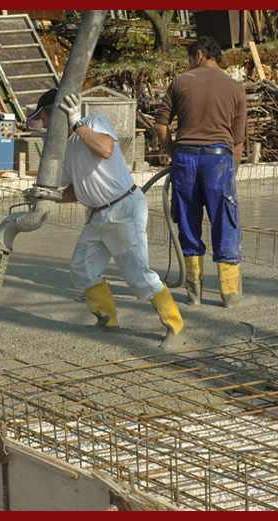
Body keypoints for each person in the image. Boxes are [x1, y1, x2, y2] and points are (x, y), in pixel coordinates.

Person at [27, 88, 186, 351]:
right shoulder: (66, 148)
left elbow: (105, 149)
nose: (43, 125)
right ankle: (108, 320)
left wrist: (77, 123)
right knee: (82, 268)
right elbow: (76, 191)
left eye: (44, 118)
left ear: (58, 114)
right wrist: (44, 195)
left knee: (137, 276)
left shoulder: (93, 123)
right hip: (97, 216)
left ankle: (176, 327)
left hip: (123, 209)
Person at [154, 35, 248, 308]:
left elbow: (161, 127)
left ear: (198, 55)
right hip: (219, 160)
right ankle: (230, 296)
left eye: (190, 60)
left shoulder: (180, 82)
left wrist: (176, 156)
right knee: (225, 223)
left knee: (187, 223)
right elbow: (238, 140)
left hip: (185, 159)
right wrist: (232, 172)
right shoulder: (235, 88)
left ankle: (193, 294)